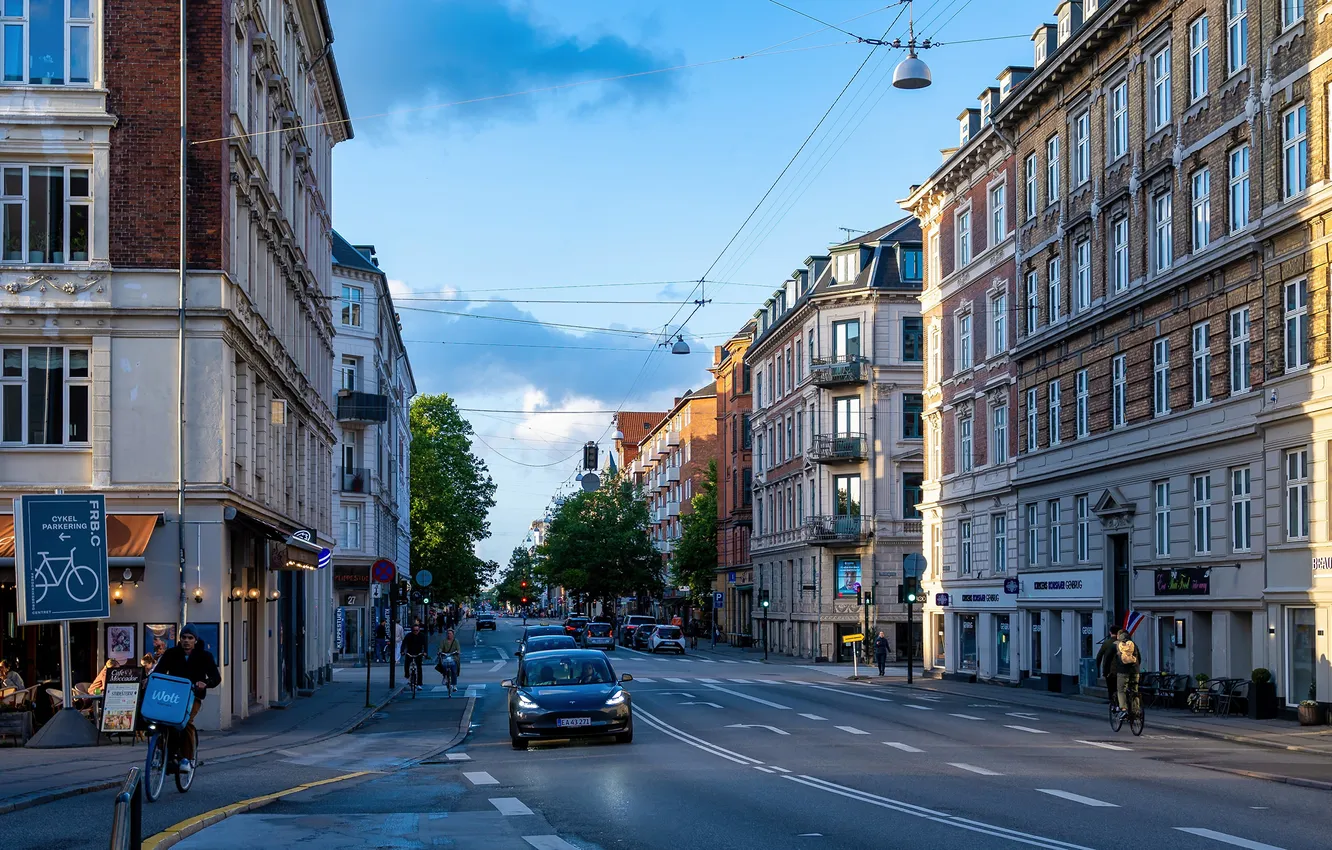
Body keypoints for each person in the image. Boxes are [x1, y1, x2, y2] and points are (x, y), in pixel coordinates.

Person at [150, 624, 221, 777]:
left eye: (190, 638)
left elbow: (216, 678)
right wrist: (149, 680)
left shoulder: (204, 656)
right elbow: (159, 671)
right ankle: (165, 752)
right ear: (180, 639)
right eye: (183, 637)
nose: (186, 641)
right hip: (173, 695)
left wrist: (205, 683)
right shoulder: (171, 654)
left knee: (186, 722)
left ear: (195, 640)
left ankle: (187, 759)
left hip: (193, 696)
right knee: (163, 721)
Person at [1112, 628, 1141, 716]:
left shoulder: (1116, 645)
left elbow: (1110, 659)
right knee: (1134, 690)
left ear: (1118, 636)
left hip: (1122, 671)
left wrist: (1109, 671)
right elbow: (1139, 658)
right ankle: (1136, 711)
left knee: (1121, 690)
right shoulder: (1133, 644)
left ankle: (1124, 709)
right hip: (1135, 671)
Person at [1094, 627, 1120, 706]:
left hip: (1110, 670)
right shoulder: (1123, 643)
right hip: (1122, 669)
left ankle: (1113, 703)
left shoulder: (1107, 643)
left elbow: (1099, 655)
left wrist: (1097, 666)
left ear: (1110, 632)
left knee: (1111, 688)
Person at [401, 622, 429, 689]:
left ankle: (419, 683)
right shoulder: (409, 635)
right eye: (414, 630)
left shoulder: (422, 636)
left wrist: (425, 652)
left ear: (419, 630)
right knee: (406, 664)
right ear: (412, 630)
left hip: (418, 653)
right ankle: (407, 675)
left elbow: (425, 644)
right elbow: (404, 643)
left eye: (417, 630)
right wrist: (402, 651)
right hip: (410, 652)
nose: (415, 632)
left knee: (419, 668)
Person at [436, 628, 462, 693]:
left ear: (453, 634)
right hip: (445, 657)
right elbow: (440, 648)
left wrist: (458, 652)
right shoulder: (443, 641)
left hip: (453, 657)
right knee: (444, 665)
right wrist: (440, 652)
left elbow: (458, 649)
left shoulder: (456, 641)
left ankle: (454, 685)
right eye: (448, 633)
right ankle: (445, 676)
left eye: (450, 634)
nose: (449, 635)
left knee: (454, 670)